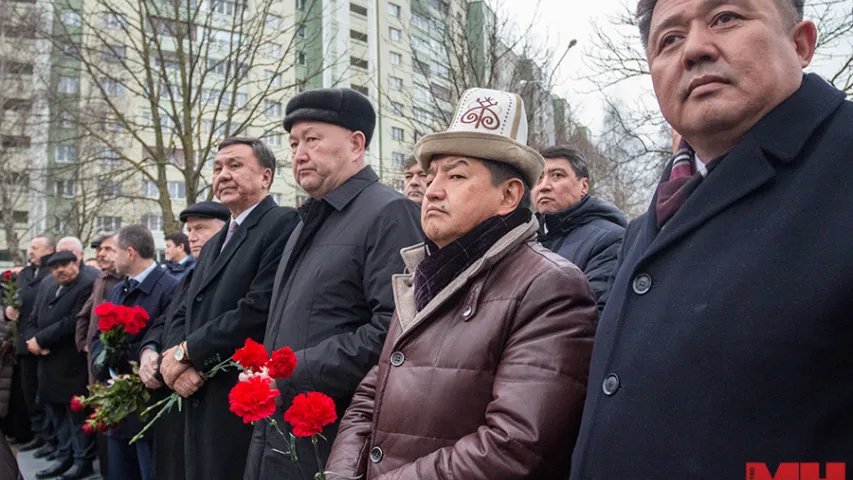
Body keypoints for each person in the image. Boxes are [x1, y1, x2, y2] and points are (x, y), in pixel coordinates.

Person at [570, 0, 853, 478]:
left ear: (801, 43)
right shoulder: (649, 223)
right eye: (669, 39)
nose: (695, 49)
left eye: (726, 18)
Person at [325, 88, 597, 479]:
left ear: (508, 195)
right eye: (431, 174)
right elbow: (370, 396)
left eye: (456, 175)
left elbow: (515, 445)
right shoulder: (424, 275)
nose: (432, 189)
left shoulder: (551, 286)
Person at [244, 88, 422, 479]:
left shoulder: (392, 213)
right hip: (281, 427)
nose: (298, 154)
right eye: (293, 143)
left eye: (312, 139)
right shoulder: (306, 221)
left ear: (356, 144)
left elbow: (396, 332)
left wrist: (292, 370)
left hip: (336, 435)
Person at [157, 138, 300, 480]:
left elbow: (257, 308)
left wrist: (188, 352)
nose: (223, 175)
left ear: (266, 177)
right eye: (218, 167)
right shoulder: (214, 244)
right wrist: (175, 363)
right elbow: (184, 308)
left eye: (235, 166)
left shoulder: (282, 224)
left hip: (237, 394)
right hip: (197, 390)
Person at [139, 200, 229, 480]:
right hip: (173, 387)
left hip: (203, 394)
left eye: (201, 228)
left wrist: (184, 362)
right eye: (189, 229)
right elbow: (166, 320)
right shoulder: (191, 274)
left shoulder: (229, 273)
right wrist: (149, 350)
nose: (192, 236)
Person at [88, 225, 178, 480]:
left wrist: (133, 357)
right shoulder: (119, 288)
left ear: (130, 253)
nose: (108, 258)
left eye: (113, 251)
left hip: (148, 406)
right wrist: (102, 360)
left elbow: (168, 337)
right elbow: (98, 335)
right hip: (119, 403)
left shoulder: (170, 289)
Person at [24, 249, 98, 480]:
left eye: (65, 265)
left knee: (75, 416)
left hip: (70, 364)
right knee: (56, 413)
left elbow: (72, 322)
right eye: (55, 267)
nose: (60, 270)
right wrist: (31, 339)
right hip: (47, 362)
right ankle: (64, 456)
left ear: (76, 264)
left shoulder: (86, 285)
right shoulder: (48, 285)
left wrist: (40, 339)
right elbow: (33, 317)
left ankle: (81, 460)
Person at [533, 146, 627, 312]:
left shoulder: (611, 240)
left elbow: (591, 316)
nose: (544, 186)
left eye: (557, 175)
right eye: (538, 178)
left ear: (584, 186)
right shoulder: (523, 238)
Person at [8, 235, 56, 457]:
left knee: (43, 393)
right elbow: (17, 299)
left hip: (44, 344)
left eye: (35, 247)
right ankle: (37, 434)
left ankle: (49, 437)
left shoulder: (52, 273)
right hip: (24, 343)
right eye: (31, 247)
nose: (31, 251)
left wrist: (38, 338)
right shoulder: (26, 273)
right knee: (29, 392)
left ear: (49, 249)